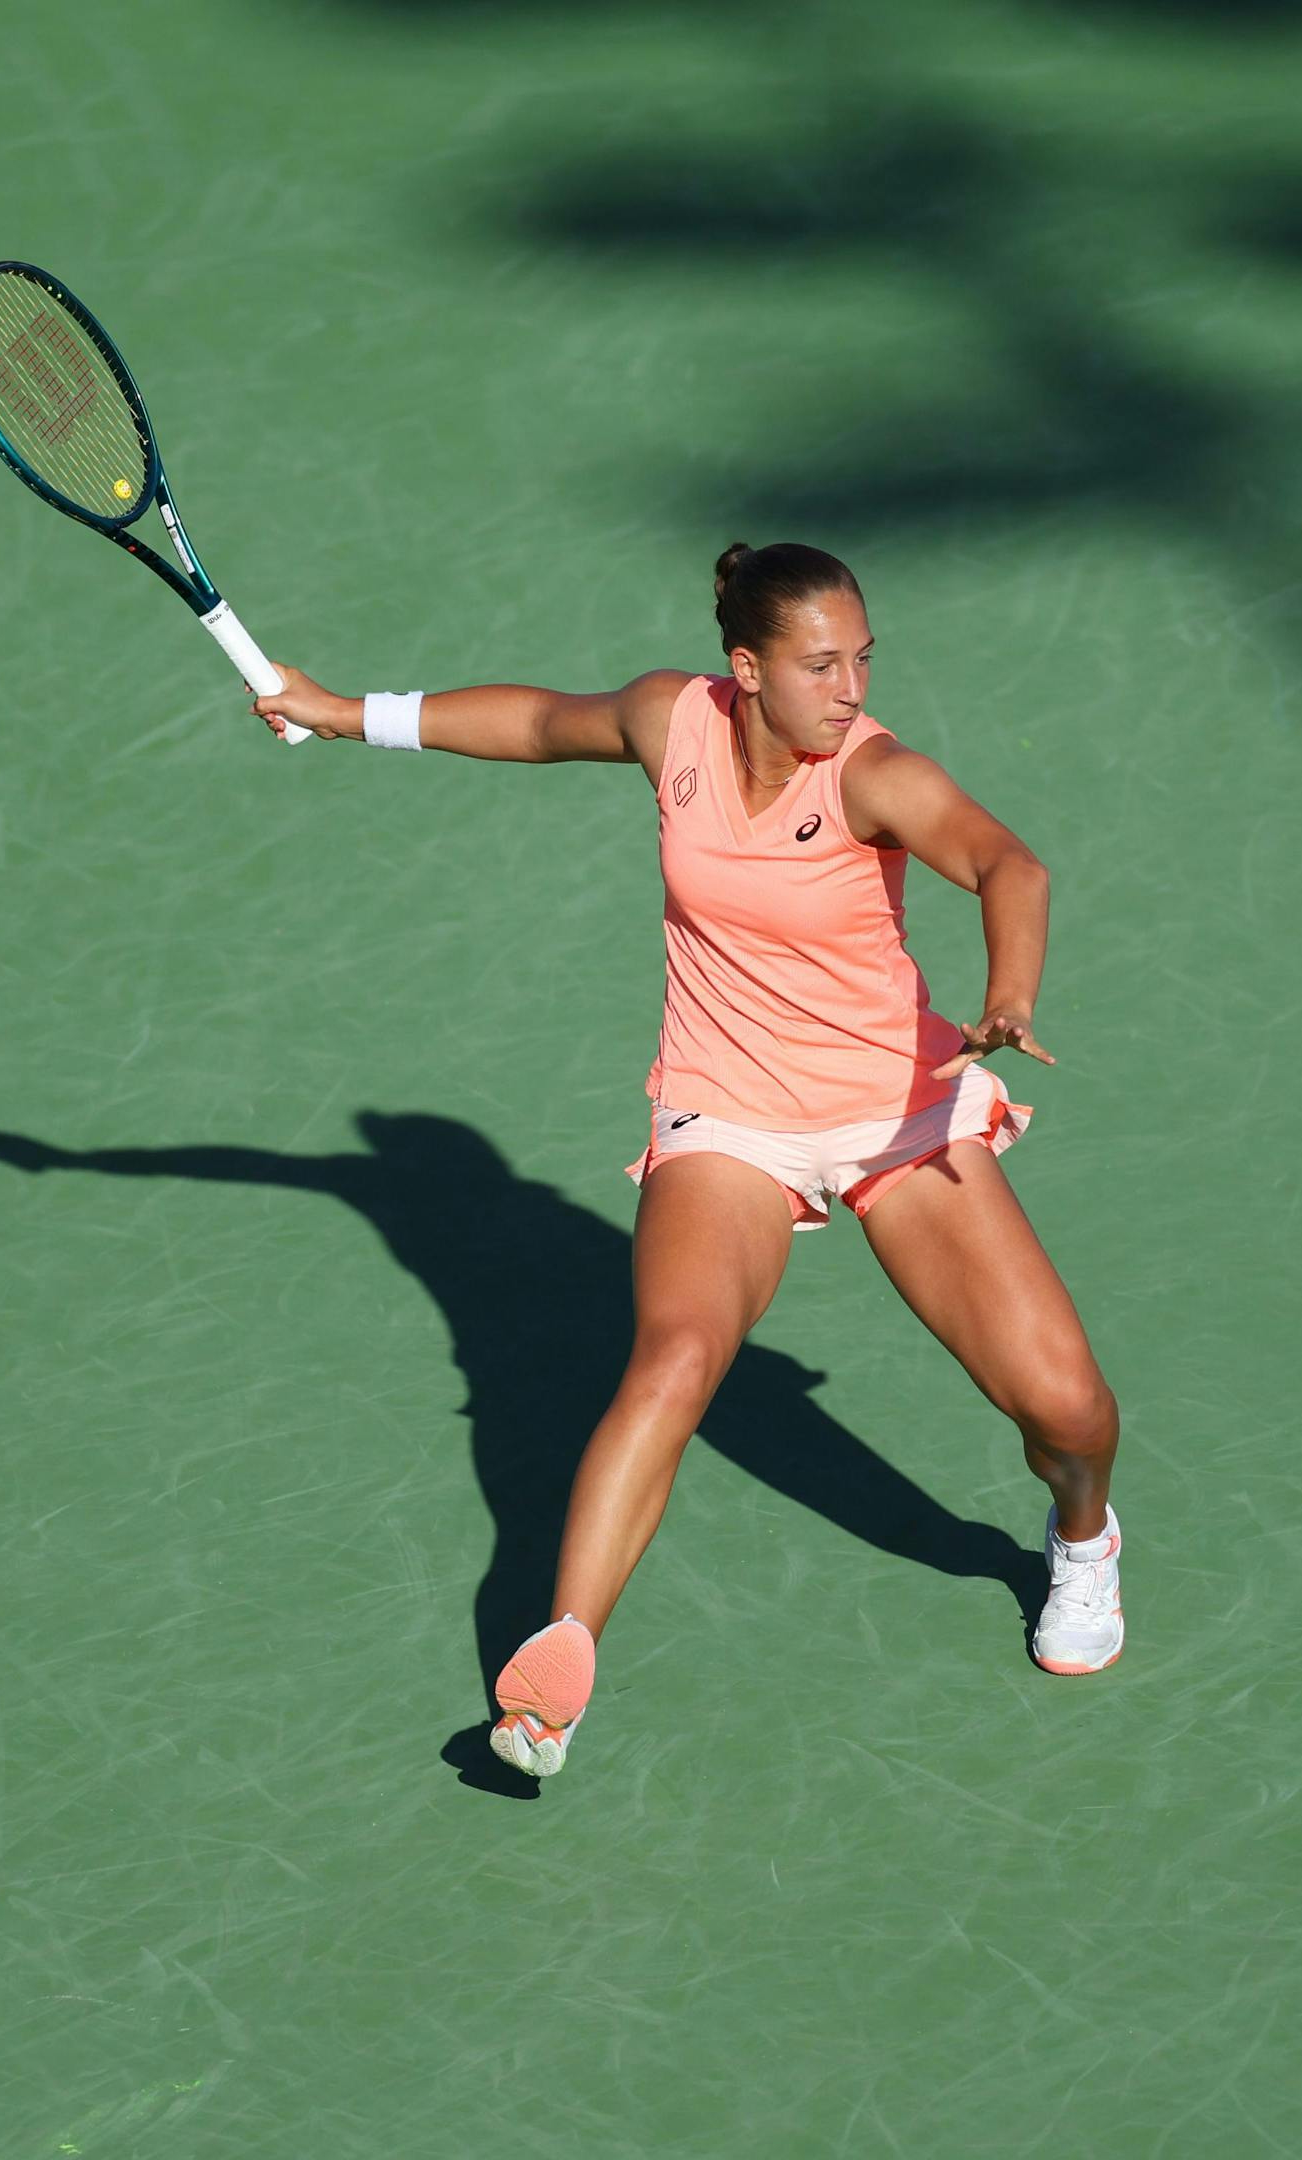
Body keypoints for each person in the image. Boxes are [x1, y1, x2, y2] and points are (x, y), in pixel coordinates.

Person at [252, 542, 1123, 1781]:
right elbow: (545, 723)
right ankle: (558, 1659)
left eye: (863, 658)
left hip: (892, 1112)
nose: (851, 686)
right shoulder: (677, 726)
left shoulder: (874, 775)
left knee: (1067, 1408)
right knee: (673, 1356)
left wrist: (1010, 989)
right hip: (728, 1112)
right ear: (746, 670)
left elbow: (1005, 861)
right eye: (822, 664)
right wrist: (344, 713)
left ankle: (1085, 1538)